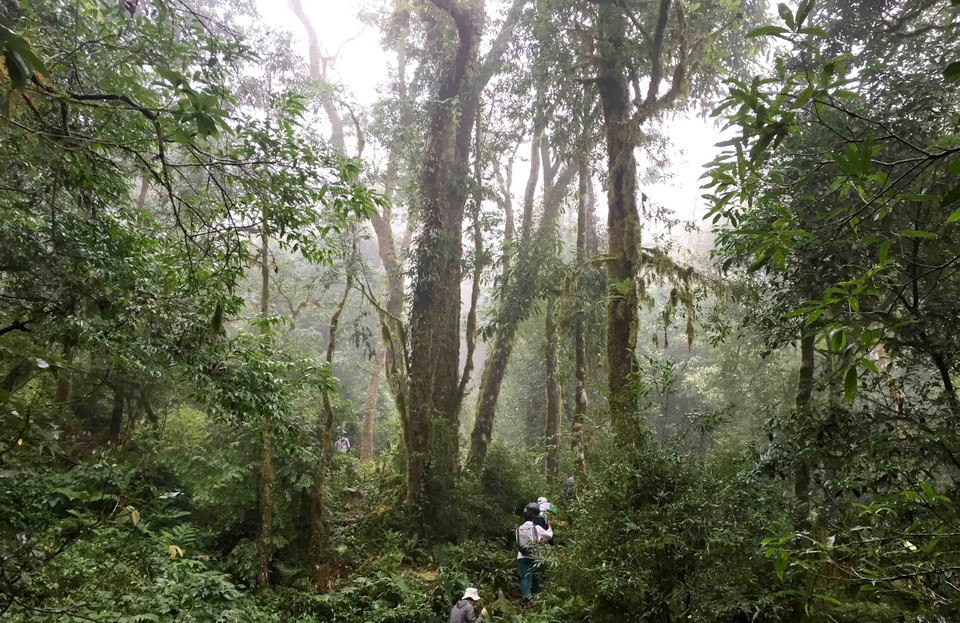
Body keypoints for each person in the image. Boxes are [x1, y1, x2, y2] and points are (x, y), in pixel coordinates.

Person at [517, 502, 552, 599]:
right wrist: (549, 526)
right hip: (534, 555)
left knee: (524, 577)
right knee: (536, 575)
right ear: (533, 518)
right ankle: (535, 594)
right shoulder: (537, 528)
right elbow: (549, 536)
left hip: (522, 555)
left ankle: (525, 596)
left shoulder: (519, 528)